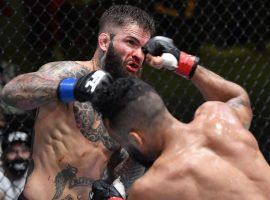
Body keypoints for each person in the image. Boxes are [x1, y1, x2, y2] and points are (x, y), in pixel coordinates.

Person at [1, 5, 155, 200]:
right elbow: (12, 92)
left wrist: (119, 189)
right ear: (105, 41)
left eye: (144, 49)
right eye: (131, 42)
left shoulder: (128, 103)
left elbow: (132, 158)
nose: (139, 55)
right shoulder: (68, 72)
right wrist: (72, 88)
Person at [89, 37, 270, 200]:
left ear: (137, 139)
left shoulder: (154, 186)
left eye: (125, 144)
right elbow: (239, 98)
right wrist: (184, 63)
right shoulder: (220, 118)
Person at [0, 131, 31, 200]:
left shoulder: (34, 174)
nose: (19, 156)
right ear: (4, 156)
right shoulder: (0, 175)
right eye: (12, 151)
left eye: (24, 151)